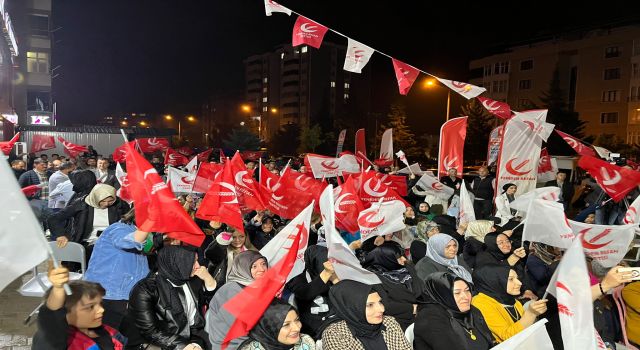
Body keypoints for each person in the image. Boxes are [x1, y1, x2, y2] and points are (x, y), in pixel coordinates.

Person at [128, 245, 216, 350]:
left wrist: (208, 279)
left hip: (195, 336)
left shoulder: (192, 279)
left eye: (197, 260)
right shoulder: (145, 290)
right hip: (162, 342)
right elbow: (149, 332)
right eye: (192, 262)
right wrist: (183, 346)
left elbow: (213, 304)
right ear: (177, 263)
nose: (198, 266)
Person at [83, 209, 151, 330]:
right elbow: (131, 241)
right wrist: (152, 218)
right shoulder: (118, 228)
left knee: (121, 336)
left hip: (126, 294)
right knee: (106, 335)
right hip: (109, 294)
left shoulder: (140, 232)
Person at [32, 266, 127, 350]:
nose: (101, 310)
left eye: (100, 304)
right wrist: (58, 289)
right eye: (90, 307)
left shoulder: (103, 331)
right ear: (64, 314)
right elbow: (52, 317)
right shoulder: (55, 340)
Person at [48, 184, 130, 263]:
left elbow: (130, 221)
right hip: (88, 241)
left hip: (112, 241)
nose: (106, 204)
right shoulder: (81, 204)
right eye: (103, 201)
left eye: (110, 201)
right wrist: (60, 235)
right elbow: (54, 219)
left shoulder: (120, 205)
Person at [321, 280, 412, 350]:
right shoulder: (335, 334)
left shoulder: (389, 323)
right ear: (352, 309)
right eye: (370, 305)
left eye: (380, 302)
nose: (382, 309)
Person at [414, 272, 494, 350]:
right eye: (457, 293)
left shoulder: (472, 310)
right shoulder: (430, 319)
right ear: (443, 295)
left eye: (467, 290)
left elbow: (491, 342)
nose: (465, 297)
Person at [206, 251, 269, 349]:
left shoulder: (256, 286)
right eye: (254, 266)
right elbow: (240, 329)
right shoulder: (231, 291)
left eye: (263, 264)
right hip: (232, 345)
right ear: (242, 268)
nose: (262, 269)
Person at [471, 265, 548, 343]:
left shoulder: (511, 299)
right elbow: (508, 337)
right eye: (511, 279)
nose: (520, 283)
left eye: (517, 278)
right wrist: (531, 314)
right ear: (494, 281)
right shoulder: (480, 302)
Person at [363, 242, 425, 330]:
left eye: (403, 255)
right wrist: (412, 308)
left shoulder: (408, 266)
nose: (403, 259)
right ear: (386, 259)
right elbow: (385, 304)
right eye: (398, 258)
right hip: (399, 321)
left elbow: (421, 287)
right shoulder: (373, 279)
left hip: (423, 312)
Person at [286, 245, 339, 339]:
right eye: (322, 261)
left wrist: (336, 280)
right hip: (314, 330)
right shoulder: (296, 275)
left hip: (336, 321)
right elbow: (305, 293)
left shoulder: (334, 271)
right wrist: (326, 273)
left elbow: (345, 294)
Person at [238, 299, 316, 350]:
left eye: (297, 320)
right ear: (268, 329)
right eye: (286, 325)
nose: (297, 328)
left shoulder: (305, 342)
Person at [18, 157, 51, 223]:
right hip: (35, 202)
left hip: (49, 201)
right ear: (35, 165)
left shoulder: (50, 174)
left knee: (49, 220)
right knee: (37, 222)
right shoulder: (26, 175)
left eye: (46, 164)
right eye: (42, 164)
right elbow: (19, 190)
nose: (45, 166)